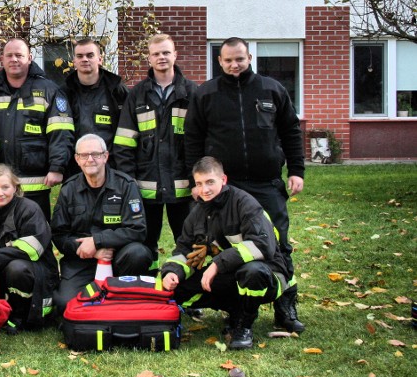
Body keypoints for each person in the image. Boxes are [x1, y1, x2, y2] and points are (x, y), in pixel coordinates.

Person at [184, 37, 306, 333]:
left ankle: (285, 306)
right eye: (227, 60)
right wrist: (196, 182)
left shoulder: (271, 89)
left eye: (239, 59)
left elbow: (290, 129)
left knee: (279, 245)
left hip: (266, 183)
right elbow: (192, 139)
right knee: (224, 245)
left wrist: (297, 170)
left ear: (249, 57)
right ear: (220, 61)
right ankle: (235, 308)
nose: (233, 64)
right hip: (225, 186)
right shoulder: (206, 94)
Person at [161, 157, 291, 350]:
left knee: (252, 272)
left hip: (270, 273)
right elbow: (183, 250)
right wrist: (172, 272)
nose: (204, 190)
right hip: (230, 273)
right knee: (178, 288)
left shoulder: (245, 203)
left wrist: (217, 264)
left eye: (210, 182)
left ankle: (243, 326)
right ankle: (234, 309)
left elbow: (262, 245)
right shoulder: (197, 213)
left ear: (224, 180)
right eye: (199, 184)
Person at [114, 33, 198, 266]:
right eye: (156, 54)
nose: (161, 57)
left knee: (191, 243)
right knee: (143, 244)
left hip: (183, 188)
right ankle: (147, 288)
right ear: (148, 59)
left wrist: (196, 183)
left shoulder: (192, 93)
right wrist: (129, 183)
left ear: (175, 55)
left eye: (166, 52)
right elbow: (124, 143)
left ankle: (187, 293)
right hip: (145, 189)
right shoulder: (137, 95)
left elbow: (200, 142)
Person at [51, 134, 151, 314]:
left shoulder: (126, 186)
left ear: (105, 156)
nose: (90, 159)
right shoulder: (69, 189)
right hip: (82, 260)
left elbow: (138, 230)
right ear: (77, 160)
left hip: (119, 257)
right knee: (64, 304)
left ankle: (123, 297)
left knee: (138, 253)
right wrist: (92, 251)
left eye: (96, 154)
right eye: (84, 155)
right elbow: (59, 235)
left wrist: (98, 241)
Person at [0, 38, 74, 220]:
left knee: (37, 234)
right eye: (9, 55)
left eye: (19, 55)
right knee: (0, 233)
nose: (14, 59)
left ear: (30, 58)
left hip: (36, 182)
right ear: (2, 59)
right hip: (0, 183)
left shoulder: (49, 90)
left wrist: (57, 167)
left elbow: (61, 132)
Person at [0, 165, 59, 334]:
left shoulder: (29, 209)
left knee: (16, 268)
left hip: (38, 271)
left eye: (5, 187)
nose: (0, 193)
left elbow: (31, 250)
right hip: (2, 270)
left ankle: (19, 317)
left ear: (15, 188)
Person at [64, 38, 129, 176]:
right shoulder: (65, 92)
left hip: (112, 168)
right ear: (74, 61)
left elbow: (127, 130)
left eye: (90, 55)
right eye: (80, 56)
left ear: (100, 59)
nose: (85, 59)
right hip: (76, 169)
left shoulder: (117, 90)